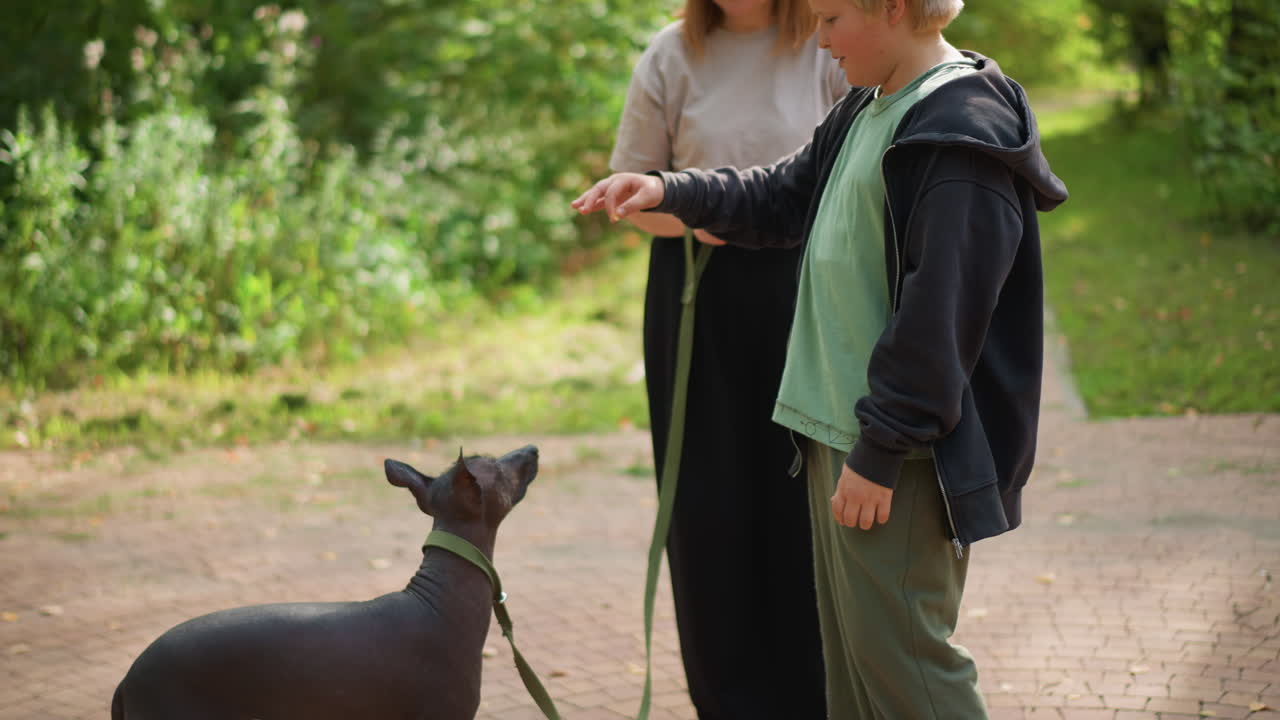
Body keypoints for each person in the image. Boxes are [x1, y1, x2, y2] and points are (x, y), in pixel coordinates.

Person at [573, 0, 1070, 715]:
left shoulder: (960, 135)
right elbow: (781, 194)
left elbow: (939, 324)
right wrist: (667, 188)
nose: (821, 38)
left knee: (909, 674)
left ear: (893, 9)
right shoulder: (870, 105)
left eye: (833, 18)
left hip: (894, 459)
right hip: (835, 439)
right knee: (854, 680)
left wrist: (880, 450)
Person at [607, 1, 846, 718]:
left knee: (801, 499)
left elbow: (854, 175)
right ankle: (731, 703)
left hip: (805, 291)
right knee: (708, 504)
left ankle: (816, 696)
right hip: (695, 295)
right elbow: (634, 190)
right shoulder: (671, 54)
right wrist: (702, 215)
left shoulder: (826, 41)